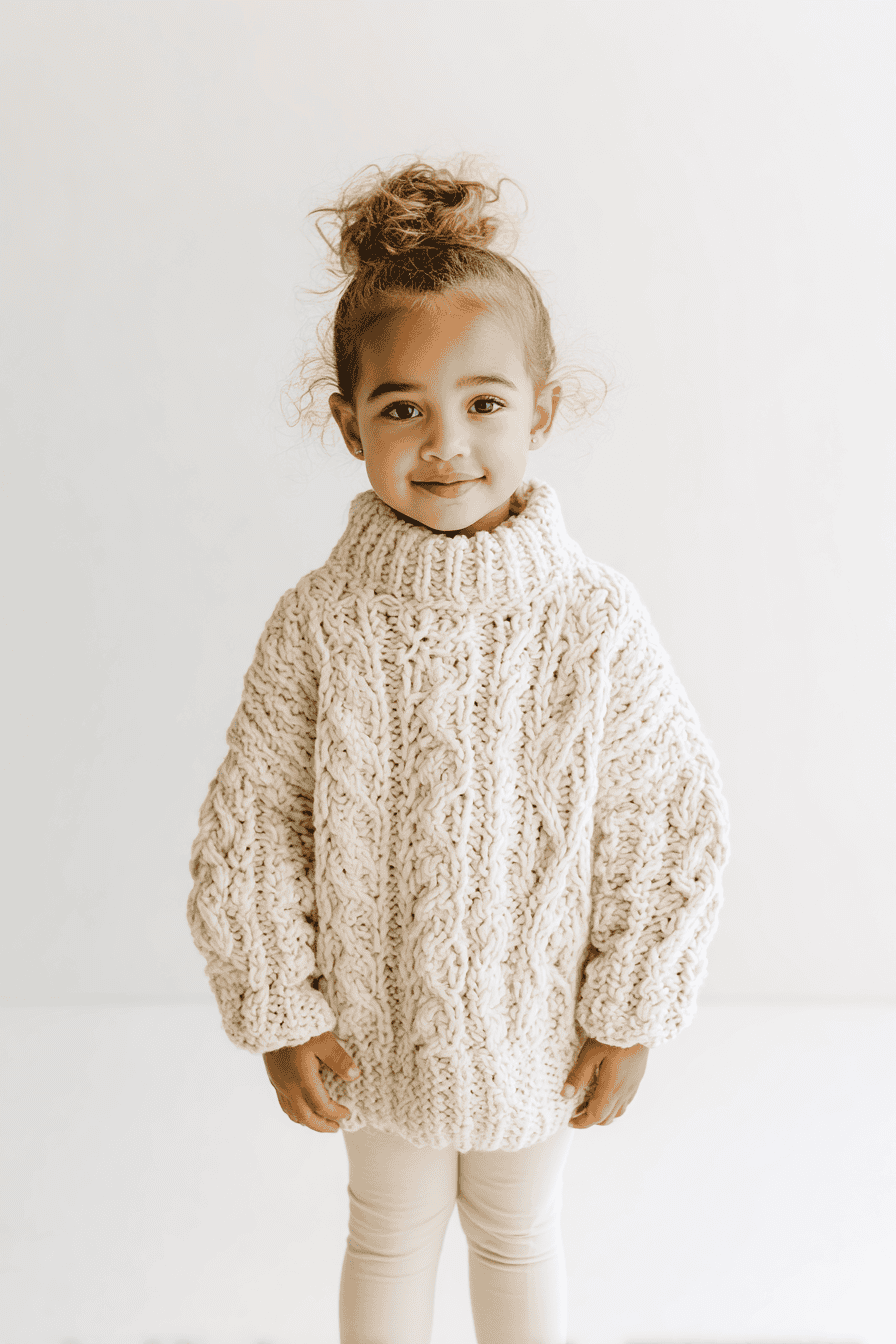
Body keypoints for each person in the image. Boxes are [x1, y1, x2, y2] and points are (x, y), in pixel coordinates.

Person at [187, 159, 731, 1344]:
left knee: (516, 1231)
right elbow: (252, 825)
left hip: (535, 1018)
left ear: (540, 409)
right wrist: (281, 1001)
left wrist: (629, 1004)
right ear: (349, 426)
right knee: (385, 1232)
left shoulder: (591, 618)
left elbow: (665, 815)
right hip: (370, 1020)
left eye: (482, 403)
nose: (445, 443)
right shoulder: (322, 619)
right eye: (402, 409)